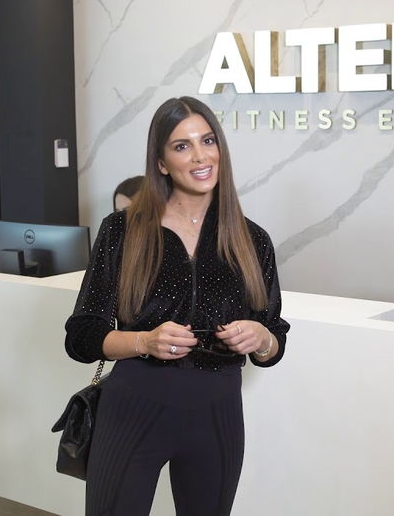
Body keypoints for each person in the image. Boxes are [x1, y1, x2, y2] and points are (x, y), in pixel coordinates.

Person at [64, 96, 289, 516]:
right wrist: (144, 341)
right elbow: (82, 336)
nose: (201, 156)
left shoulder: (252, 239)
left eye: (208, 140)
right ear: (162, 163)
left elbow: (273, 339)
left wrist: (261, 338)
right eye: (182, 146)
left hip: (217, 413)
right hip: (133, 408)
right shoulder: (122, 230)